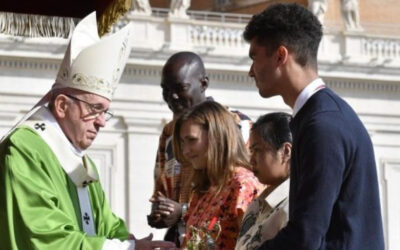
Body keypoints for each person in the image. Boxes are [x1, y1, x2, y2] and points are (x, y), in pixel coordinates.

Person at [0, 12, 175, 250]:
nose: (102, 122)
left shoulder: (82, 162)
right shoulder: (24, 148)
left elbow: (105, 225)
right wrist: (129, 249)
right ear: (62, 106)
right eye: (95, 109)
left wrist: (132, 241)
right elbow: (45, 238)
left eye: (105, 112)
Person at [243, 3, 384, 250]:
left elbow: (305, 237)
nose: (250, 71)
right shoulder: (323, 115)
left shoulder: (323, 126)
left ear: (280, 56)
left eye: (255, 57)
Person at [147, 51, 252, 246]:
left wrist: (183, 211)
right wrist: (162, 212)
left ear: (203, 83)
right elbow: (162, 193)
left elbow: (242, 198)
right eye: (165, 90)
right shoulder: (169, 134)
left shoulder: (237, 125)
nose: (172, 97)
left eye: (180, 88)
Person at [172, 101, 262, 249]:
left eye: (192, 140)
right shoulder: (203, 188)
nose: (186, 151)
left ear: (217, 137)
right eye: (182, 143)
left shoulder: (242, 185)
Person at [236, 112, 292, 250]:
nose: (251, 160)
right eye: (251, 151)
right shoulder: (259, 202)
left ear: (285, 152)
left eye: (257, 150)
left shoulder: (294, 207)